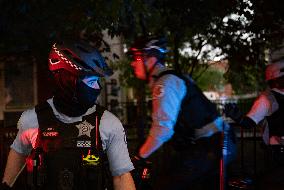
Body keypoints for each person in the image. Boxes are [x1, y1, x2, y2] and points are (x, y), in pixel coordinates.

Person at [1, 39, 136, 190]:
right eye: (91, 82)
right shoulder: (32, 119)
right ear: (68, 81)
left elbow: (122, 177)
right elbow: (18, 156)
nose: (98, 88)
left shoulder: (108, 123)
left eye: (98, 82)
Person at [128, 35, 236, 190]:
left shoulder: (165, 84)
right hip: (210, 143)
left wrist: (139, 156)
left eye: (135, 58)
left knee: (166, 184)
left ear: (150, 59)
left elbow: (163, 129)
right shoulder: (168, 79)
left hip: (211, 144)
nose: (132, 63)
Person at [224, 55, 284, 190]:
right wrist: (238, 117)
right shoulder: (267, 99)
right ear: (275, 80)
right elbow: (249, 123)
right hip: (278, 153)